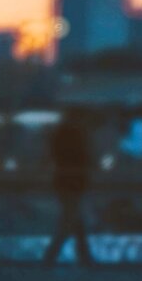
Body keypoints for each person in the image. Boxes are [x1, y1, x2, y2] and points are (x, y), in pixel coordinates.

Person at [43, 107, 95, 265]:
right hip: (74, 180)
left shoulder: (60, 133)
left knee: (73, 217)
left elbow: (52, 155)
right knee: (71, 218)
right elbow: (87, 158)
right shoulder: (78, 134)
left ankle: (80, 254)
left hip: (64, 179)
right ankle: (53, 255)